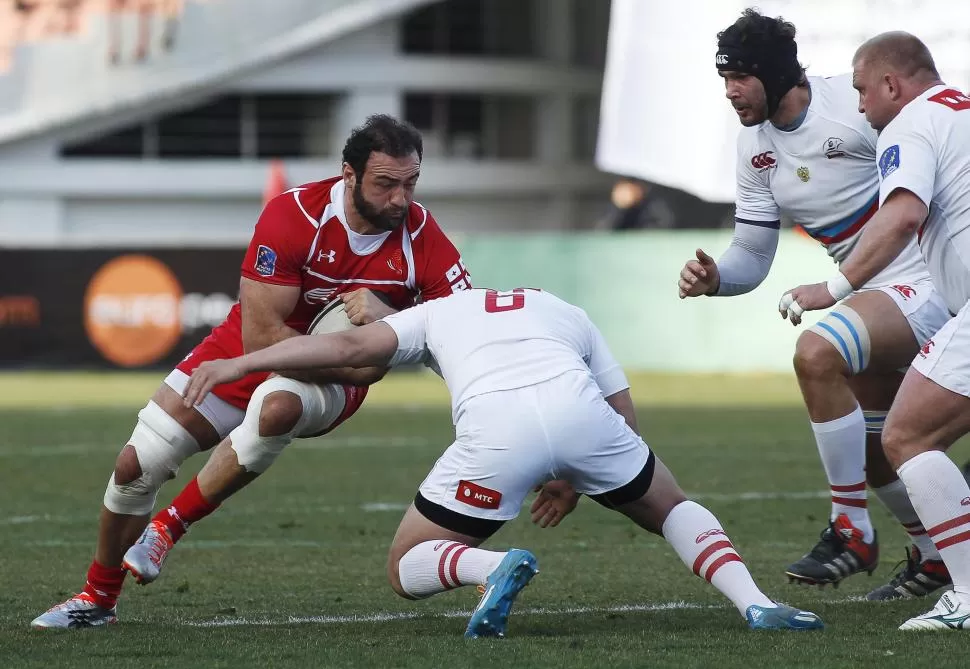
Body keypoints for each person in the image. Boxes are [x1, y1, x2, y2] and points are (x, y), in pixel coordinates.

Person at [30, 114, 472, 629]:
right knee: (136, 464)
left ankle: (168, 528)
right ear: (348, 175)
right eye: (385, 184)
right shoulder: (294, 215)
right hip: (252, 349)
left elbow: (461, 335)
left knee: (278, 405)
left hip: (332, 378)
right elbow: (262, 338)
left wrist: (389, 327)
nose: (401, 199)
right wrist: (361, 358)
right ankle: (97, 599)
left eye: (410, 183)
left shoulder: (422, 236)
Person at [182, 287, 824, 637]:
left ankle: (493, 566)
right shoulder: (564, 308)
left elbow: (346, 343)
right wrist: (577, 479)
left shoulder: (431, 315)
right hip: (583, 417)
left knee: (406, 566)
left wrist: (241, 363)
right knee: (672, 505)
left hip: (497, 432)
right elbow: (621, 410)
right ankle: (755, 603)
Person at [677, 9, 951, 598]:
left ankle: (850, 529)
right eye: (723, 78)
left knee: (816, 352)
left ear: (776, 74)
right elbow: (752, 251)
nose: (731, 91)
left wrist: (834, 291)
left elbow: (932, 159)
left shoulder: (853, 107)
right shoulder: (753, 149)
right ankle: (936, 558)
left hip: (927, 278)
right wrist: (716, 276)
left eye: (741, 77)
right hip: (876, 289)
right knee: (881, 456)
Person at [778, 31, 970, 631]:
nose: (860, 105)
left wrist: (833, 289)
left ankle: (963, 591)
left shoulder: (911, 123)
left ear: (892, 84)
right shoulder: (961, 111)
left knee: (906, 434)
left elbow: (903, 212)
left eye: (863, 90)